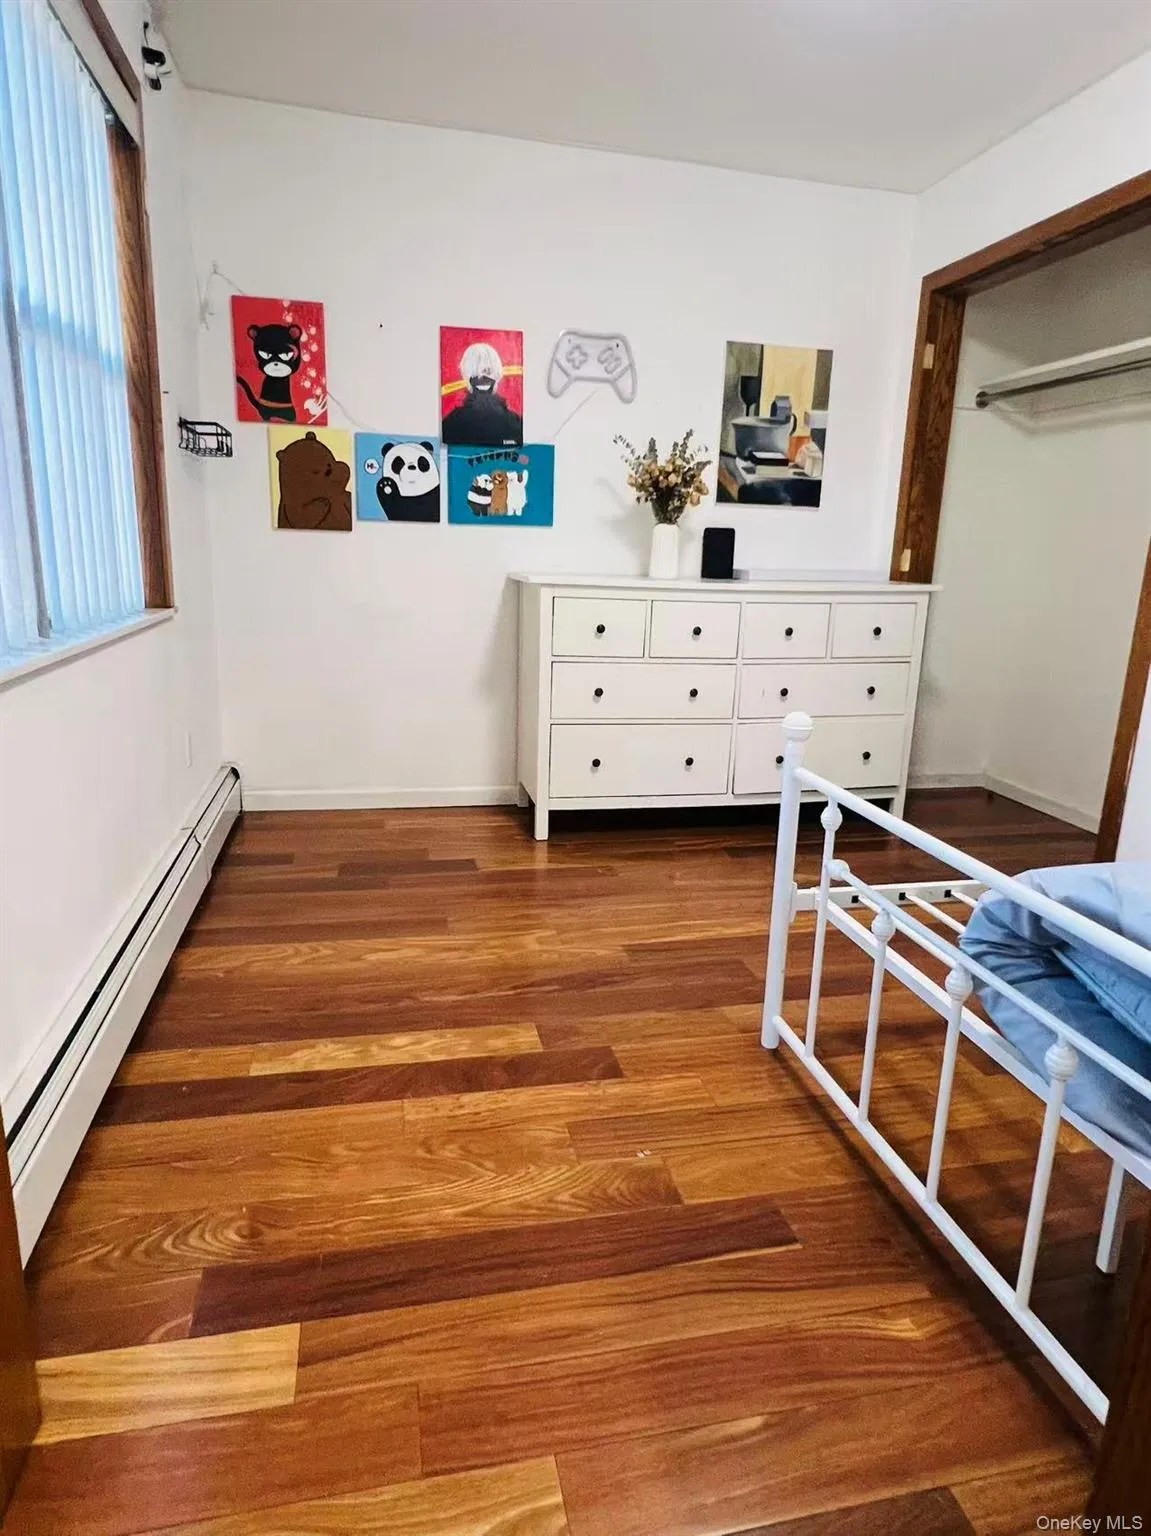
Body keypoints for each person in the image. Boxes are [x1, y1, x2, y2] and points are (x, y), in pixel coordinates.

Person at [442, 341, 523, 446]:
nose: (481, 378)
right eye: (476, 373)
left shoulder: (452, 422)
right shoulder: (514, 422)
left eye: (487, 371)